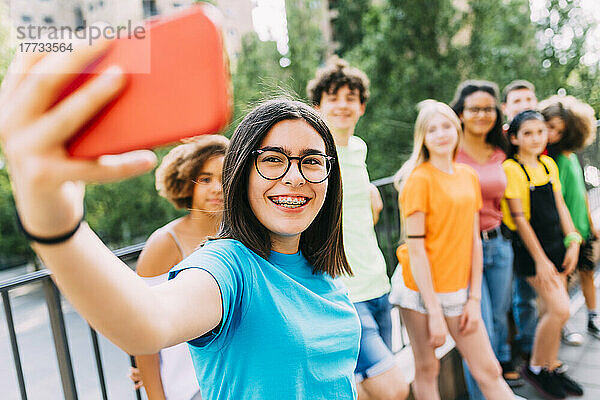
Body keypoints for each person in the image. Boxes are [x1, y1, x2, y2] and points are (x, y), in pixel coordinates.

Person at [0, 39, 361, 399]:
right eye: (272, 159)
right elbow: (149, 321)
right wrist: (55, 224)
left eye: (312, 160)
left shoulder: (318, 265)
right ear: (240, 174)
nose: (295, 176)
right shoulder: (230, 267)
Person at [394, 100, 514, 400]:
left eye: (446, 126)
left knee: (489, 370)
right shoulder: (418, 180)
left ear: (457, 128)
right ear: (422, 137)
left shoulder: (467, 176)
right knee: (427, 369)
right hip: (420, 290)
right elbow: (417, 250)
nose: (441, 134)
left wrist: (474, 299)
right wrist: (433, 311)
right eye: (432, 129)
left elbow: (473, 240)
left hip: (458, 291)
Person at [307, 58, 409, 400]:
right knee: (394, 387)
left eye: (351, 97)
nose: (342, 105)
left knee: (364, 386)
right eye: (333, 97)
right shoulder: (313, 154)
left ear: (362, 106)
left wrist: (369, 192)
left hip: (377, 283)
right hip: (342, 291)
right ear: (317, 106)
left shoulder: (359, 148)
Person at [130, 136, 228, 400]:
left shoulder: (244, 236)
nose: (217, 188)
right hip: (190, 387)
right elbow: (143, 331)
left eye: (225, 178)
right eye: (205, 179)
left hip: (236, 380)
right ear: (187, 183)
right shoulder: (164, 243)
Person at [502, 110, 584, 398]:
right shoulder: (512, 169)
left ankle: (551, 367)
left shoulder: (548, 164)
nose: (536, 138)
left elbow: (560, 205)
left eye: (540, 131)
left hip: (556, 247)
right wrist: (540, 260)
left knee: (554, 312)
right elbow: (520, 220)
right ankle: (535, 367)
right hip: (532, 253)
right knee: (561, 309)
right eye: (528, 133)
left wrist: (573, 240)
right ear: (514, 138)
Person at [450, 80, 523, 396]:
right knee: (478, 329)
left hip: (499, 245)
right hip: (465, 249)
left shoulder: (500, 151)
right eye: (474, 108)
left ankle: (496, 391)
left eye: (488, 108)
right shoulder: (448, 150)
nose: (482, 114)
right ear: (461, 113)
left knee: (496, 320)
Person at [540, 95, 600, 342]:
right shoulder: (549, 161)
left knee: (588, 273)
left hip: (582, 228)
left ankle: (593, 316)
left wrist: (590, 223)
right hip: (565, 234)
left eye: (559, 130)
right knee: (563, 279)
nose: (553, 134)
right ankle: (562, 324)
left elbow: (582, 194)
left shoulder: (571, 156)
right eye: (550, 127)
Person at [501, 79, 540, 360]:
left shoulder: (538, 136)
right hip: (508, 228)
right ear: (505, 108)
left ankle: (534, 343)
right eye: (516, 101)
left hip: (538, 226)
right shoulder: (500, 140)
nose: (523, 105)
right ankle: (517, 349)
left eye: (528, 99)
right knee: (511, 295)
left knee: (527, 292)